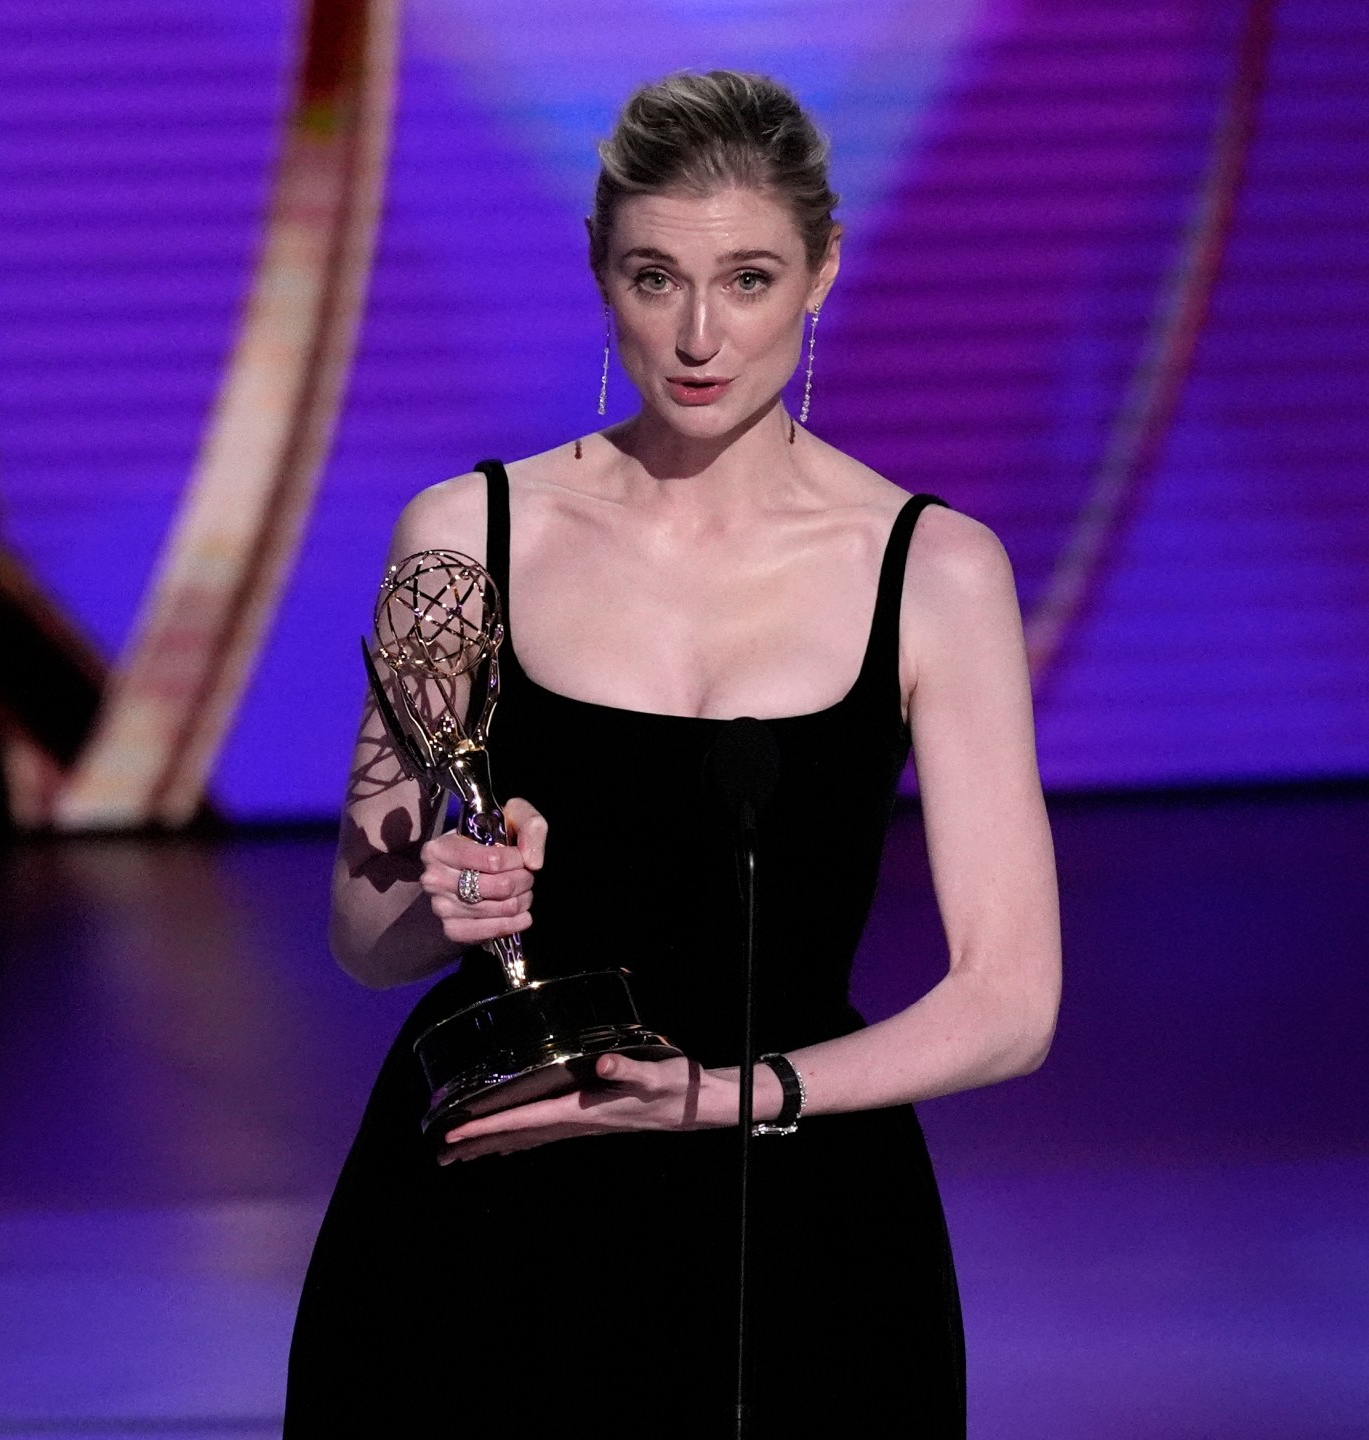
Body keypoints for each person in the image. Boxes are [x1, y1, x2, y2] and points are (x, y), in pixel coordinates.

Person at [286, 70, 1061, 1436]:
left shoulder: (934, 573)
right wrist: (444, 896)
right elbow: (365, 932)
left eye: (749, 280)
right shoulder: (462, 540)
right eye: (656, 279)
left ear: (822, 271)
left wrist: (718, 1098)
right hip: (493, 1209)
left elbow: (1010, 1002)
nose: (700, 335)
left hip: (797, 1219)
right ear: (601, 272)